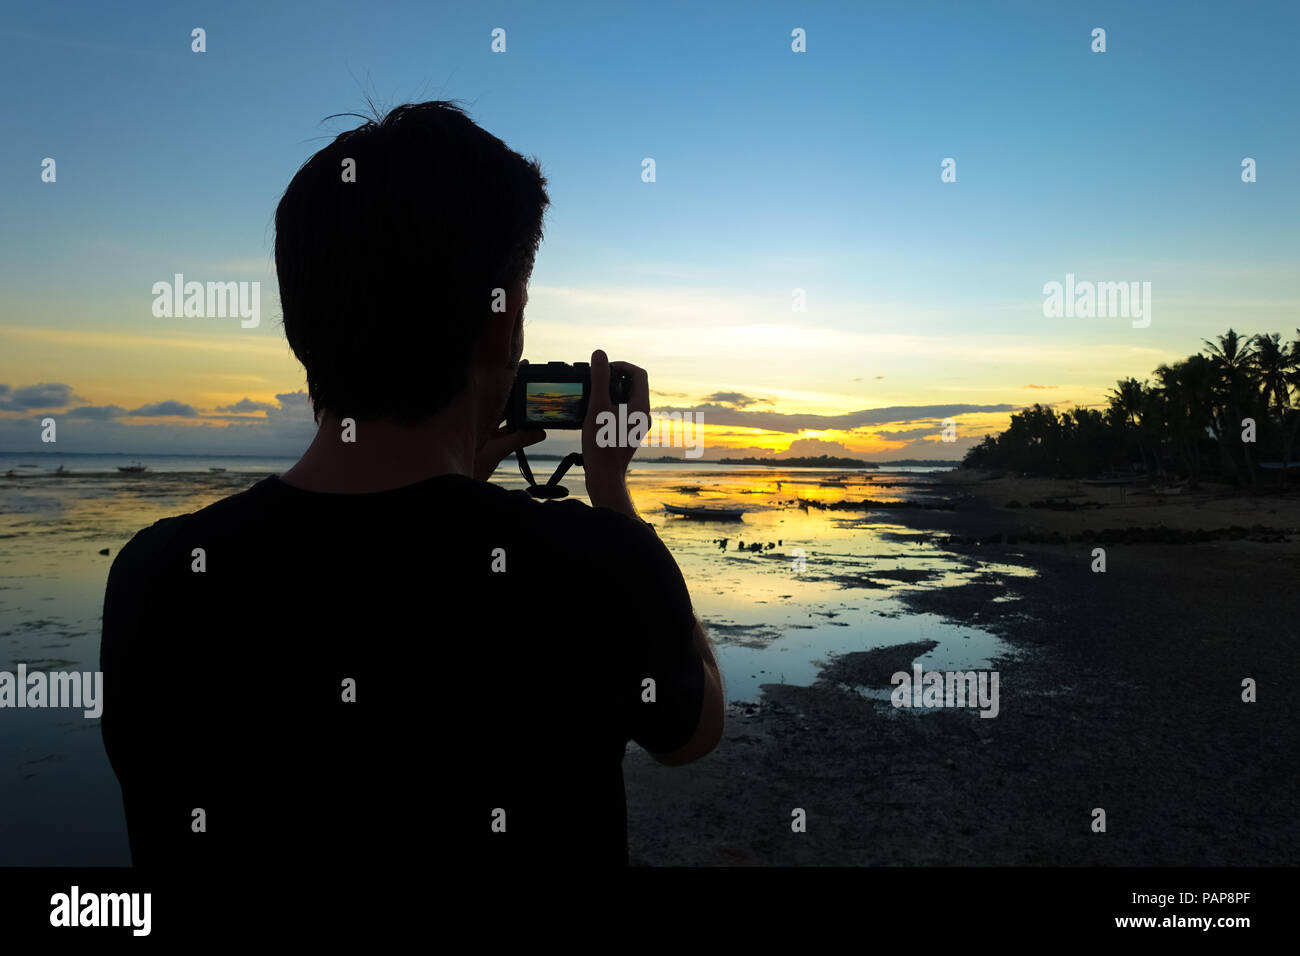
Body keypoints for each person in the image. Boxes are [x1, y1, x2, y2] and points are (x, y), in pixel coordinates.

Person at [99, 101, 724, 870]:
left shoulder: (154, 580)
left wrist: (462, 484)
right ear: (505, 326)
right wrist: (612, 498)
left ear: (299, 325)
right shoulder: (597, 568)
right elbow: (694, 731)